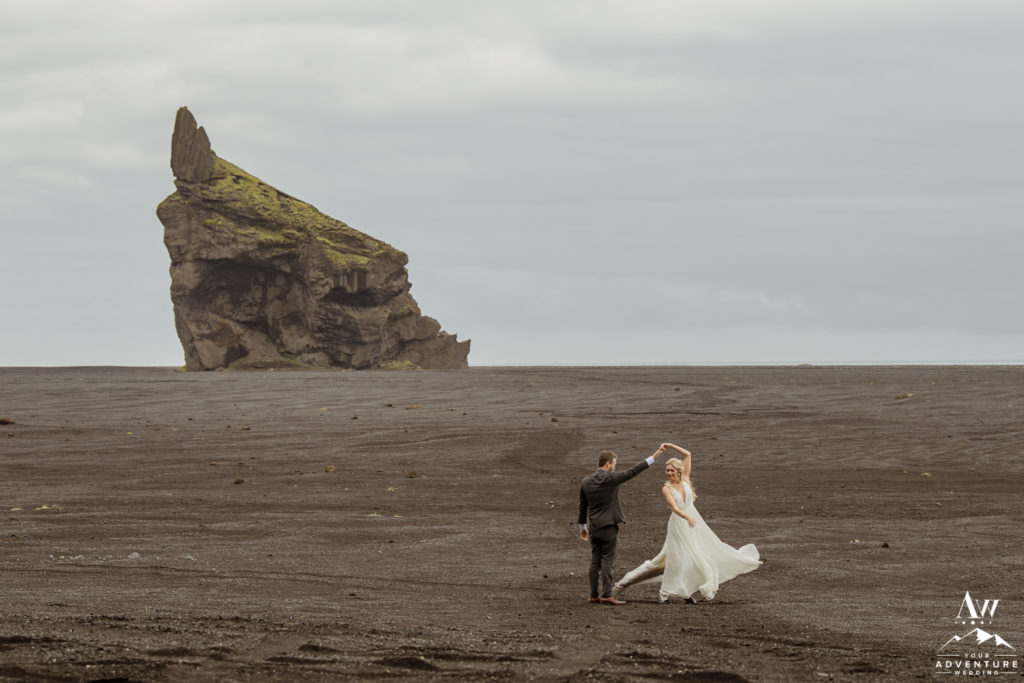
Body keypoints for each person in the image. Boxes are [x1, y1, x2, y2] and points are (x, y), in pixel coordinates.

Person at [613, 443, 760, 604]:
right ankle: (660, 592)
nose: (669, 473)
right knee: (675, 559)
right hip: (679, 524)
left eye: (672, 470)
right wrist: (686, 517)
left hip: (694, 524)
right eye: (667, 471)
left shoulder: (685, 481)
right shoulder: (666, 488)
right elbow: (675, 507)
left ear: (678, 471)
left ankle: (684, 591)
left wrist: (669, 445)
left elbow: (688, 455)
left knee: (695, 555)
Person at [578, 445, 665, 605]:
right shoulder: (610, 479)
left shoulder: (585, 482)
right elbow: (633, 471)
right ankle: (607, 594)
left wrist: (583, 528)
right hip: (609, 526)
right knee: (608, 561)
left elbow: (583, 507)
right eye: (614, 464)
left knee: (595, 561)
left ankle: (593, 594)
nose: (615, 467)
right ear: (607, 464)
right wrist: (653, 457)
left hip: (594, 527)